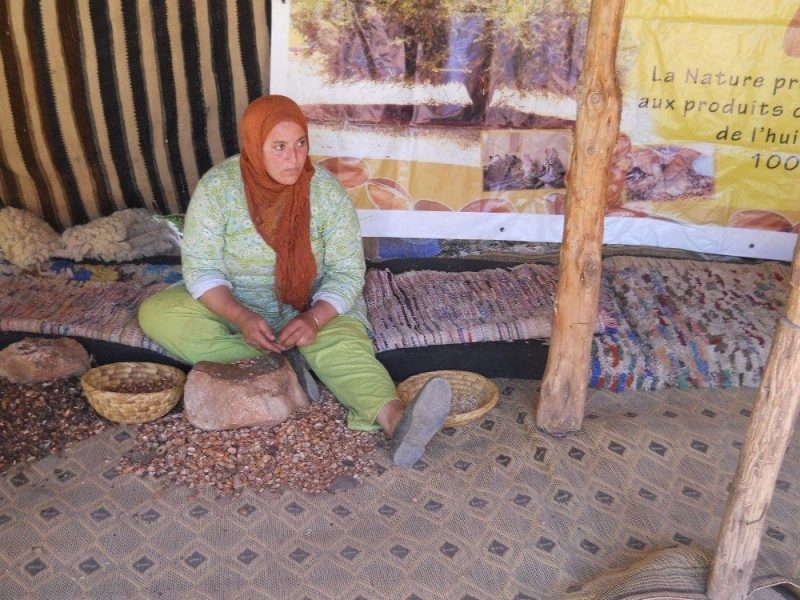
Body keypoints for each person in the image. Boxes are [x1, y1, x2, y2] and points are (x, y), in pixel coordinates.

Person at [138, 95, 451, 468]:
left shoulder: (326, 193)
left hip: (312, 306)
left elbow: (348, 270)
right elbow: (202, 269)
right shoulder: (218, 190)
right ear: (255, 146)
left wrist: (315, 318)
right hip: (239, 306)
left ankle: (396, 421)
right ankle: (282, 367)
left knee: (343, 346)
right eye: (280, 147)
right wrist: (240, 316)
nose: (293, 158)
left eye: (300, 143)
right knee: (159, 313)